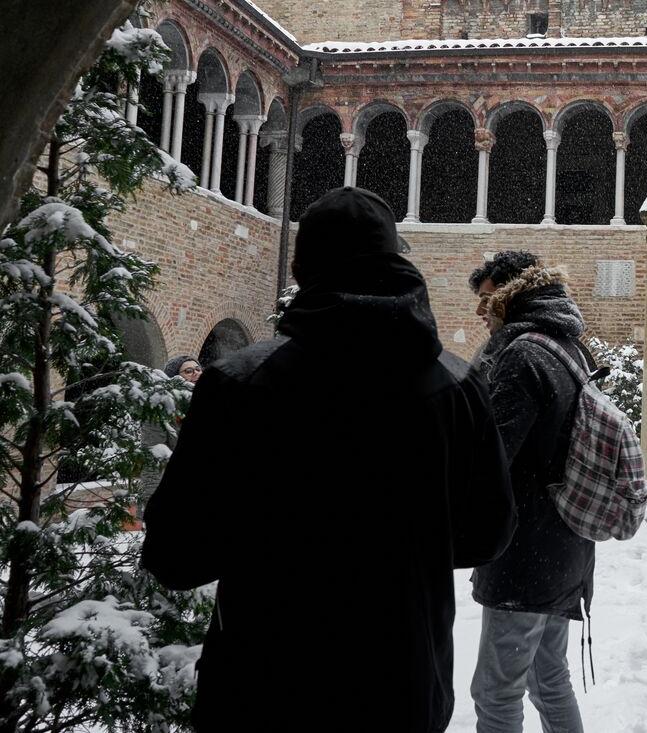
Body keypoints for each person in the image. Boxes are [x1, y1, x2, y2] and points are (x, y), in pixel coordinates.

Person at [141, 187, 516, 733]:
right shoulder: (458, 386)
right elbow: (488, 533)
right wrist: (403, 551)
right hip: (401, 682)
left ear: (299, 269)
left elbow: (176, 553)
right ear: (397, 263)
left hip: (264, 685)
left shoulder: (239, 384)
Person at [468, 251, 593, 733]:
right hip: (564, 547)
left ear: (510, 293)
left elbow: (490, 457)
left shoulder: (521, 355)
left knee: (496, 692)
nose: (480, 311)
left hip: (525, 554)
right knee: (549, 679)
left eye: (487, 299)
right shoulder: (568, 347)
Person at [137, 355, 201, 516]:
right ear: (174, 379)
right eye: (188, 371)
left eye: (198, 369)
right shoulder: (160, 410)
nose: (196, 373)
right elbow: (153, 461)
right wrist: (150, 507)